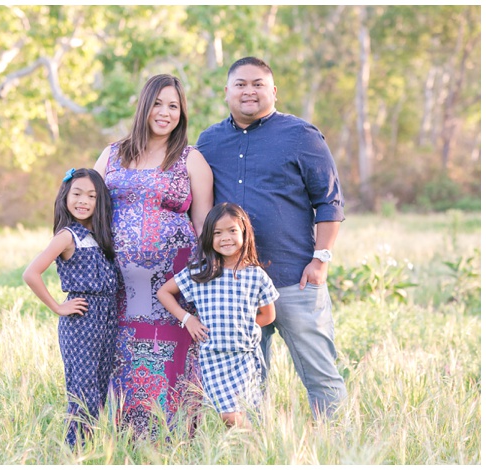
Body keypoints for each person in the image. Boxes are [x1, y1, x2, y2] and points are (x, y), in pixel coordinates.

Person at [196, 56, 347, 418]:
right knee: (247, 380)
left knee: (320, 374)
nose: (249, 91)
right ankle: (258, 450)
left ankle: (336, 446)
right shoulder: (209, 141)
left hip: (296, 278)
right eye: (241, 84)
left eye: (258, 84)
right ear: (227, 92)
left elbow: (330, 202)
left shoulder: (301, 136)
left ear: (273, 91)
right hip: (237, 284)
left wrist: (320, 260)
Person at [94, 74, 213, 439]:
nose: (165, 113)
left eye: (173, 106)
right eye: (158, 104)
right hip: (119, 290)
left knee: (170, 360)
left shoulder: (191, 159)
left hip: (172, 290)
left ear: (182, 113)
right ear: (144, 106)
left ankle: (174, 441)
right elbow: (87, 209)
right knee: (121, 360)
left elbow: (204, 226)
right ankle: (124, 442)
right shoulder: (113, 154)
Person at [157, 202, 278, 429]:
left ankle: (253, 453)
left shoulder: (255, 275)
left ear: (244, 232)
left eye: (232, 230)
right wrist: (187, 319)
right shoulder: (200, 271)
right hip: (213, 357)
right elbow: (164, 292)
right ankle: (255, 443)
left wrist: (242, 327)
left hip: (244, 357)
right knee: (228, 416)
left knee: (243, 412)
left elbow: (268, 315)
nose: (225, 238)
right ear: (209, 238)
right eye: (217, 233)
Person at [22, 167, 120, 447]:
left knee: (100, 391)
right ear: (65, 195)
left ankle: (91, 449)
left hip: (107, 318)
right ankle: (74, 451)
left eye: (91, 196)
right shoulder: (67, 236)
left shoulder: (100, 235)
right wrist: (57, 307)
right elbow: (31, 273)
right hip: (82, 320)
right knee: (83, 391)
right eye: (77, 193)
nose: (84, 201)